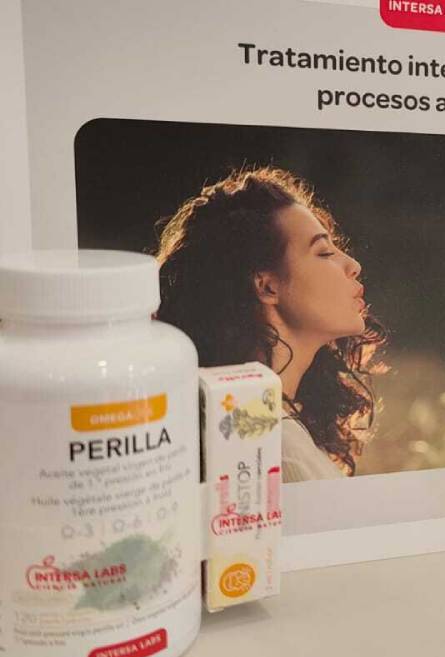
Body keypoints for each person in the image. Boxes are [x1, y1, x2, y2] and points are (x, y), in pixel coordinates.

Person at [156, 166, 384, 480]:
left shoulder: (262, 424)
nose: (353, 265)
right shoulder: (276, 449)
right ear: (267, 287)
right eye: (323, 252)